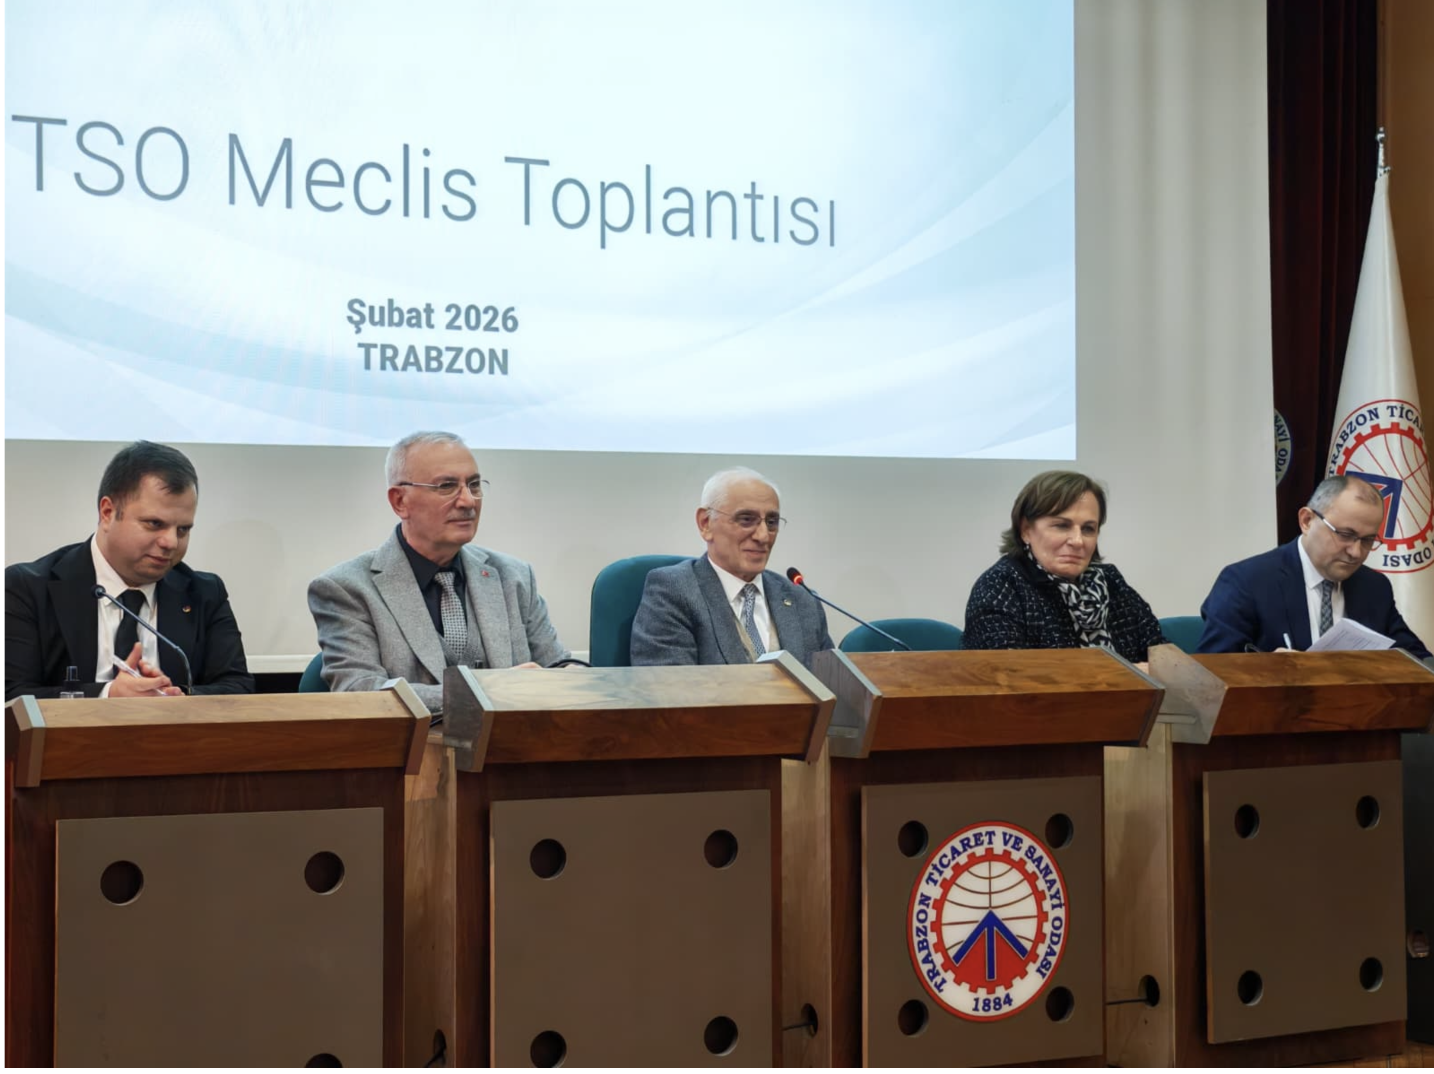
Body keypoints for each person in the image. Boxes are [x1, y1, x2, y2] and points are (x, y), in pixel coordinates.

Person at [308, 431, 568, 714]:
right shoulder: (347, 588)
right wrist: (488, 691)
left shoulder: (514, 576)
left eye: (474, 485)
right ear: (399, 501)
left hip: (514, 741)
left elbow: (561, 669)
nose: (468, 501)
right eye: (447, 486)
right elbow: (361, 693)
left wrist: (572, 679)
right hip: (416, 743)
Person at [5, 441, 254, 700]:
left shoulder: (204, 593)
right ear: (108, 512)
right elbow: (11, 694)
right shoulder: (27, 588)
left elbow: (238, 687)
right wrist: (107, 695)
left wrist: (177, 699)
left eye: (183, 529)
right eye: (154, 523)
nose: (171, 542)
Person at [1197, 474, 1429, 656]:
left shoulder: (1374, 587)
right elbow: (1211, 675)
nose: (1356, 552)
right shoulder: (1247, 582)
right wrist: (1267, 670)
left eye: (1368, 540)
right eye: (1345, 535)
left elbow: (1418, 661)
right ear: (1307, 521)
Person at [630, 467, 833, 666]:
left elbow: (831, 681)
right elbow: (668, 683)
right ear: (705, 523)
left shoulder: (802, 600)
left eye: (772, 522)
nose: (763, 536)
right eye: (746, 520)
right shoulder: (674, 591)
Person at [963, 470, 1165, 664]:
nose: (1077, 541)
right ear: (1026, 530)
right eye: (1062, 526)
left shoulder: (1110, 581)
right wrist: (1132, 673)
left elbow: (1165, 659)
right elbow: (1007, 674)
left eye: (1088, 529)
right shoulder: (1000, 586)